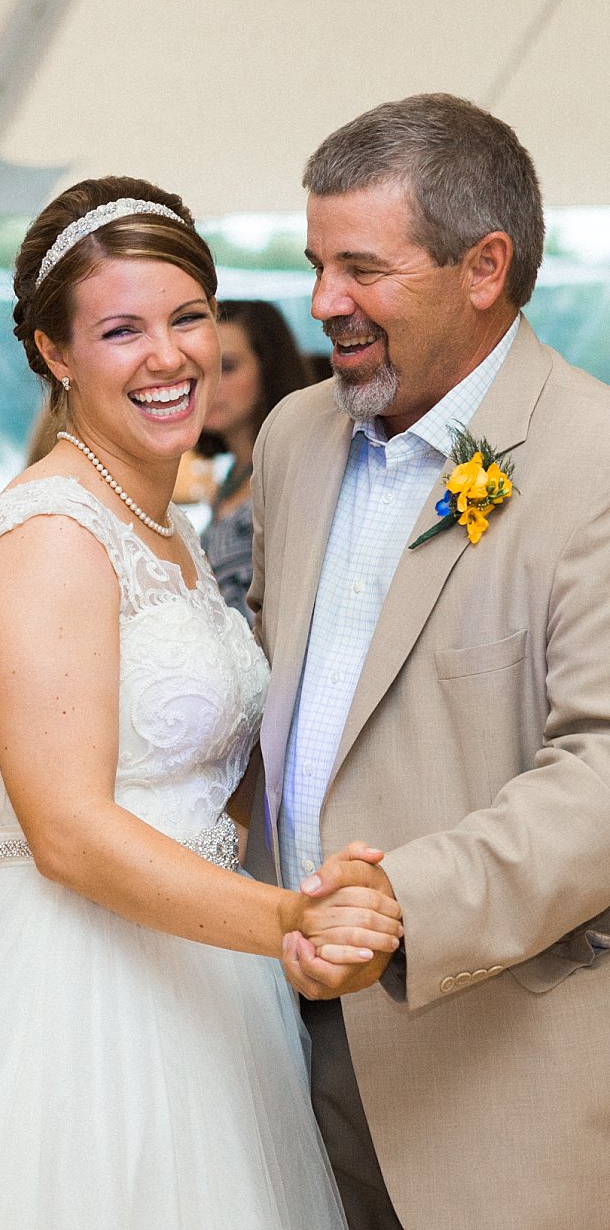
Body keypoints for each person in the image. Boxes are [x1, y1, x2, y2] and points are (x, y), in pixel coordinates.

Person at [0, 177, 402, 1229]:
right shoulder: (48, 534)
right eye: (120, 329)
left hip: (201, 977)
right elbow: (70, 832)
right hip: (80, 999)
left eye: (187, 318)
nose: (168, 356)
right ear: (55, 353)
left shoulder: (154, 521)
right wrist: (286, 918)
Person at [250, 93, 610, 1230]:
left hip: (492, 1058)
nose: (321, 304)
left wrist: (397, 907)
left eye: (359, 267)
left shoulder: (591, 459)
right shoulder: (290, 437)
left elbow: (601, 771)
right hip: (279, 1040)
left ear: (483, 265)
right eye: (314, 264)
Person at [196, 299, 311, 618]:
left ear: (269, 369)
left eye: (228, 367)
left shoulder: (292, 475)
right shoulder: (233, 472)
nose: (210, 383)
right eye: (200, 367)